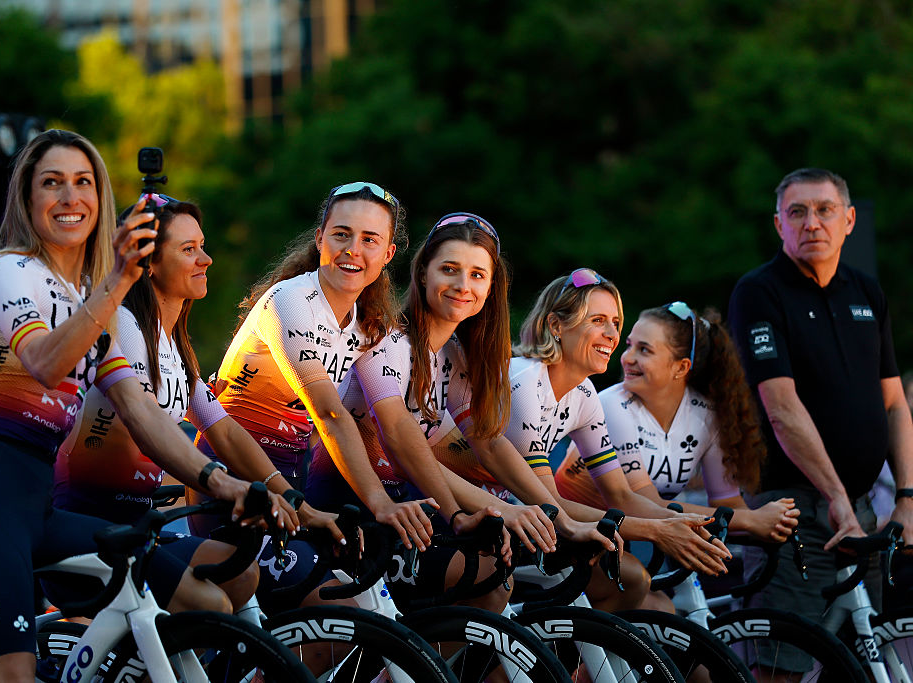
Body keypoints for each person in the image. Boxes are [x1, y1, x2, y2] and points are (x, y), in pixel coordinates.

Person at [0, 130, 259, 683]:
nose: (69, 197)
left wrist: (225, 484)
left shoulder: (88, 300)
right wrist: (118, 279)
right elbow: (45, 362)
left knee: (203, 606)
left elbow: (140, 411)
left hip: (42, 508)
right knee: (10, 675)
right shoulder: (7, 270)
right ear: (27, 199)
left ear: (100, 200)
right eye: (51, 183)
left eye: (83, 182)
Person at [306, 212, 590, 612]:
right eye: (450, 270)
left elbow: (490, 446)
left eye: (477, 275)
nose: (462, 286)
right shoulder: (386, 340)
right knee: (478, 574)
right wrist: (500, 510)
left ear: (491, 287)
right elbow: (403, 445)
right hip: (345, 509)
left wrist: (559, 517)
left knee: (494, 585)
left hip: (404, 511)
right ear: (423, 274)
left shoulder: (453, 356)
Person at [53, 193, 299, 611]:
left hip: (137, 525)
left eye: (202, 246)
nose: (206, 259)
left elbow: (223, 429)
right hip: (90, 524)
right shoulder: (125, 327)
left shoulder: (173, 344)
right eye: (189, 250)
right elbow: (147, 422)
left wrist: (289, 496)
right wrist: (222, 482)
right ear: (149, 263)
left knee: (242, 575)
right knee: (209, 607)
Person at [192, 182, 434, 603]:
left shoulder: (365, 323)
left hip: (291, 487)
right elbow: (329, 414)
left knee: (357, 612)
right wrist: (378, 501)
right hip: (235, 483)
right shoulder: (291, 299)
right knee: (339, 610)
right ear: (320, 238)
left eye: (369, 240)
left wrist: (449, 508)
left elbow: (394, 421)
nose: (352, 250)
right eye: (341, 234)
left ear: (388, 255)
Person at [432, 270, 731, 607]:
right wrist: (657, 531)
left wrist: (680, 523)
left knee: (630, 580)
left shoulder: (584, 394)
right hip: (443, 505)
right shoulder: (526, 383)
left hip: (501, 510)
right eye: (598, 320)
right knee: (501, 591)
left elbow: (619, 494)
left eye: (616, 322)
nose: (612, 334)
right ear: (556, 326)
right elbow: (550, 505)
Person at [728, 167, 913, 676]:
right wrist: (834, 497)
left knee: (861, 653)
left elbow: (895, 403)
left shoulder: (867, 292)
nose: (813, 223)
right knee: (779, 668)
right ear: (778, 224)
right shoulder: (759, 292)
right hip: (790, 509)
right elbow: (782, 409)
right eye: (798, 212)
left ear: (849, 220)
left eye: (825, 210)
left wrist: (907, 498)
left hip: (857, 509)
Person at [554, 302, 800, 542]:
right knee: (641, 583)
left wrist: (777, 520)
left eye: (644, 350)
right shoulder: (611, 404)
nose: (627, 358)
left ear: (681, 367)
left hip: (629, 534)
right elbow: (646, 505)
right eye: (629, 346)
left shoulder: (707, 415)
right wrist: (752, 521)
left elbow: (727, 504)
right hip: (572, 531)